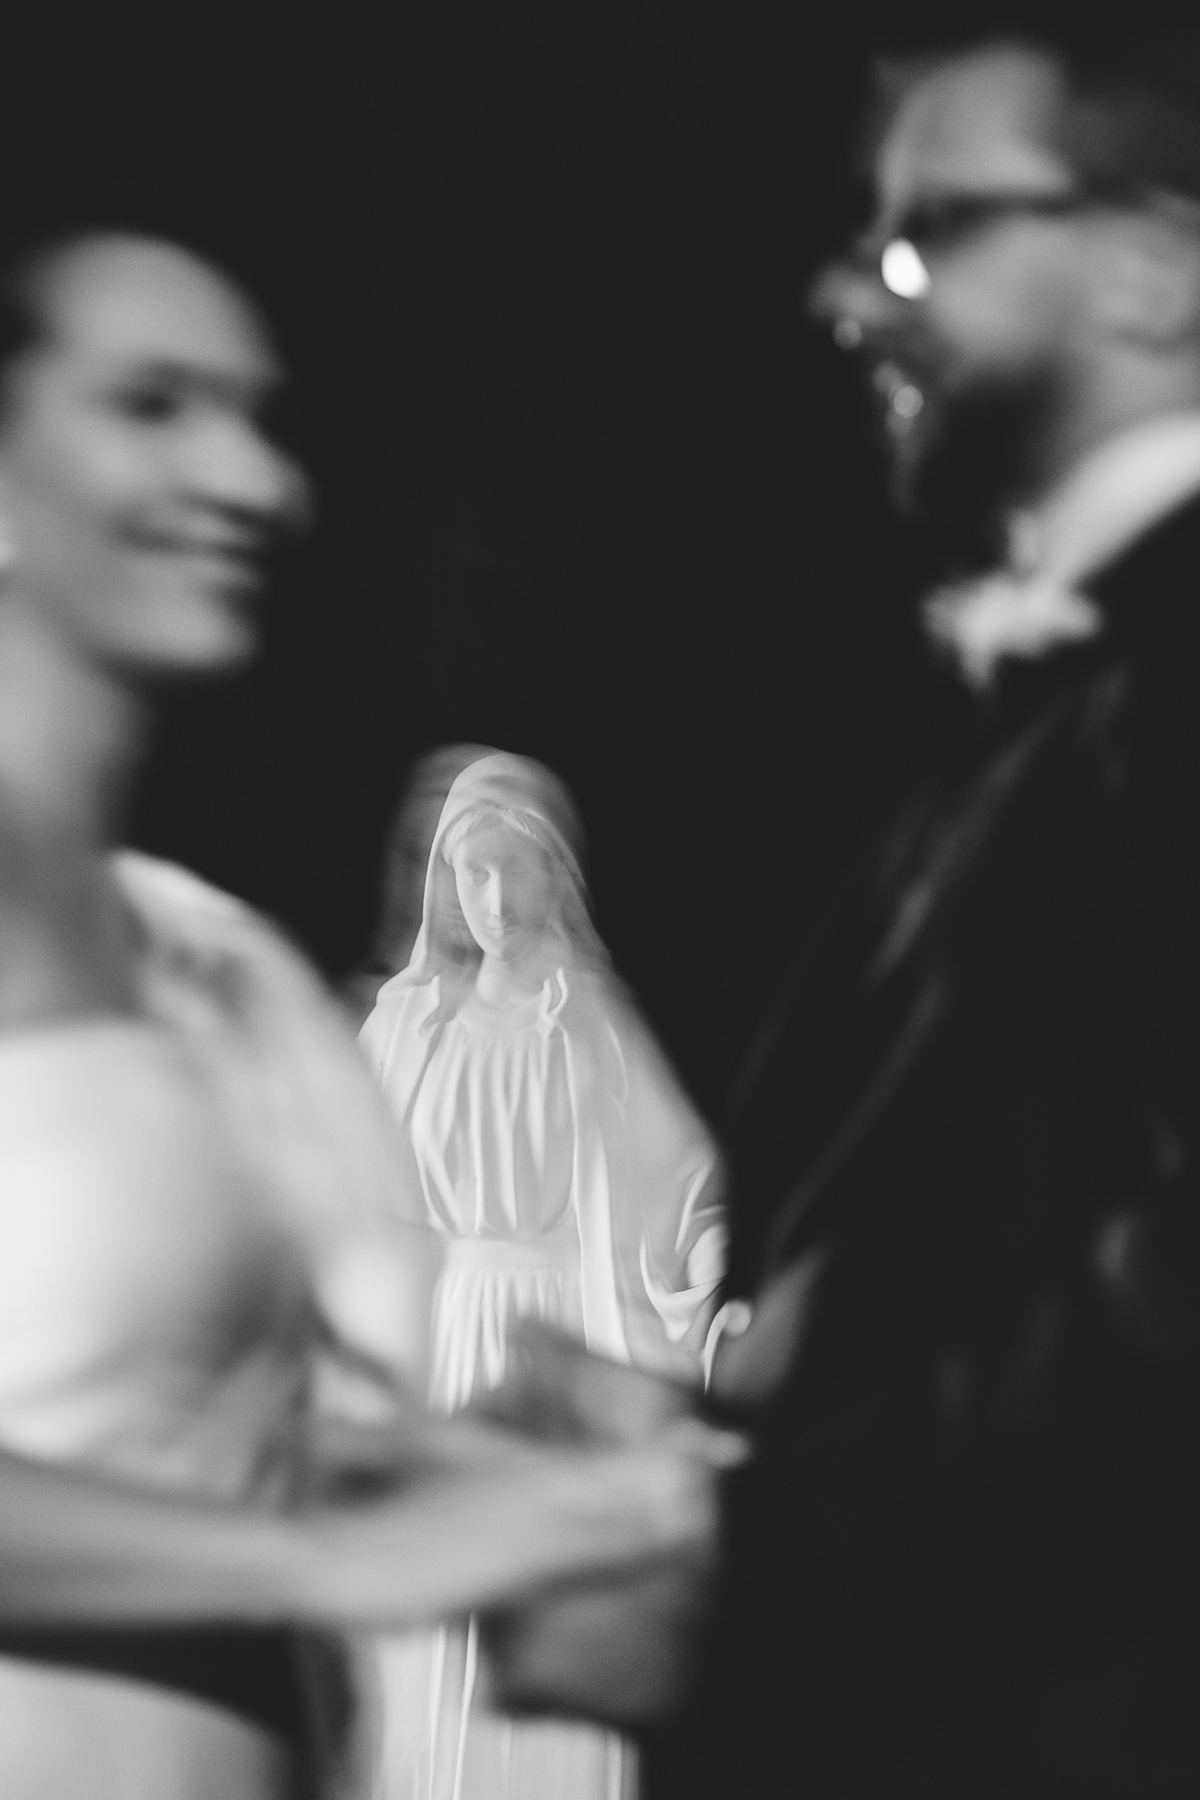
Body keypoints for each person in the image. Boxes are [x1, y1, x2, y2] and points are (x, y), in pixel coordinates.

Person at [473, 24, 1200, 1798]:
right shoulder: (1064, 695)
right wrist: (707, 1434)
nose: (845, 294)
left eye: (923, 233)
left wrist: (750, 1553)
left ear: (1158, 267)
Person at [0, 204, 728, 1800]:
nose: (251, 477)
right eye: (150, 405)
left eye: (261, 419)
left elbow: (211, 1434)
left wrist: (577, 1484)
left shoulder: (229, 975)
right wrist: (319, 1561)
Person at [357, 748, 725, 1799]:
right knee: (432, 1635)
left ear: (555, 874)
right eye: (471, 872)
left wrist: (709, 1279)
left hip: (559, 1351)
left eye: (514, 867)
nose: (493, 896)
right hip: (440, 1352)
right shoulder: (406, 1028)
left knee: (543, 1617)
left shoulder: (594, 1030)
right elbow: (354, 1207)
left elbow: (679, 1191)